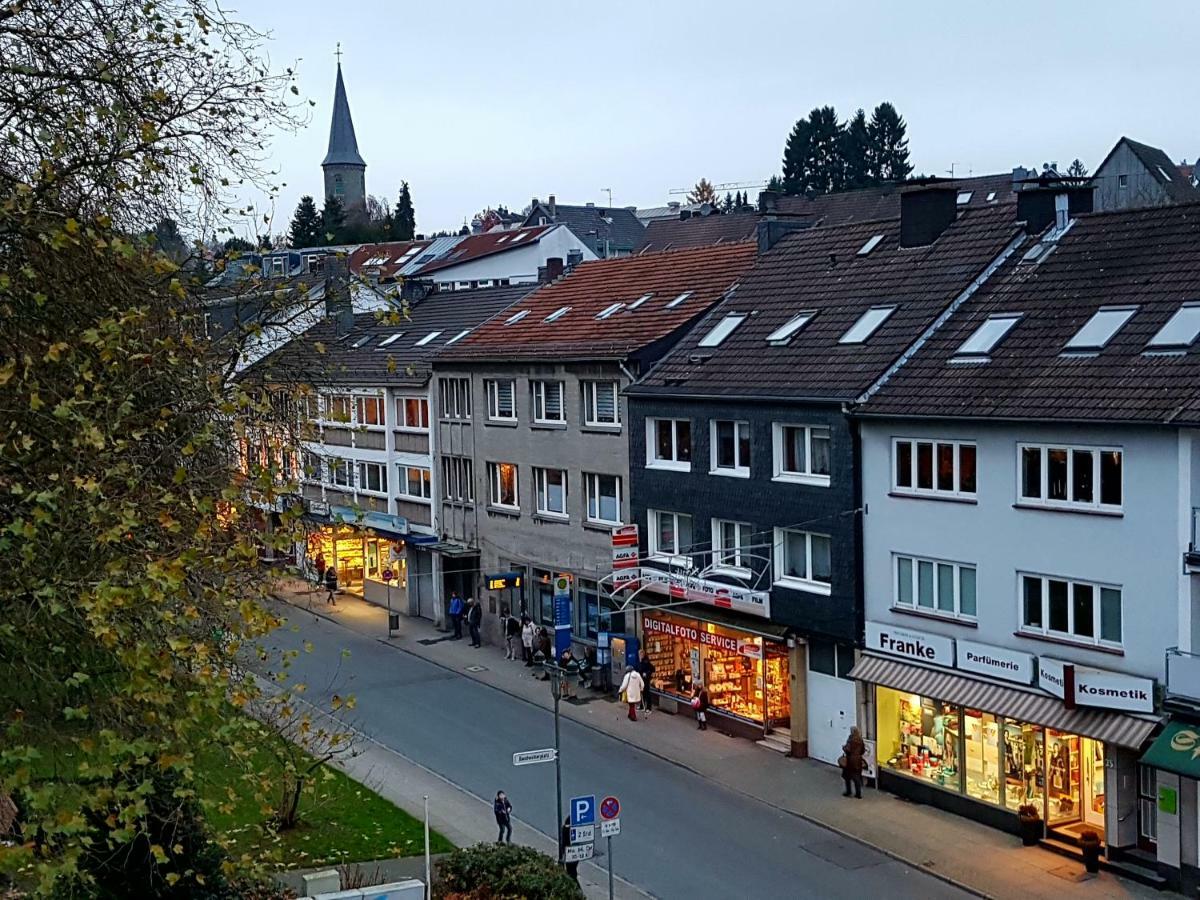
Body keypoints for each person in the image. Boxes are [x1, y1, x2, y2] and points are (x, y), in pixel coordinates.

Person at [841, 725, 867, 799]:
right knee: (857, 777)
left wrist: (844, 748)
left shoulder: (851, 739)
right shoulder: (860, 739)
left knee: (847, 777)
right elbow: (863, 750)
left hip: (850, 761)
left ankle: (848, 791)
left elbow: (848, 749)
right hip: (858, 760)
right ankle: (858, 794)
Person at [560, 817, 579, 884]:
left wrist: (563, 855)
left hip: (570, 853)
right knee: (572, 871)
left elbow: (564, 843)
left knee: (571, 872)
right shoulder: (574, 826)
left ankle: (576, 890)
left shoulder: (565, 828)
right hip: (575, 852)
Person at [637, 649, 655, 715]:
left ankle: (649, 708)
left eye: (640, 654)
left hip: (646, 680)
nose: (639, 655)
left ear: (643, 654)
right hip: (641, 679)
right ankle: (642, 706)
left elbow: (653, 669)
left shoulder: (646, 662)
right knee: (643, 693)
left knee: (647, 693)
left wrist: (646, 673)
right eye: (639, 654)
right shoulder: (640, 661)